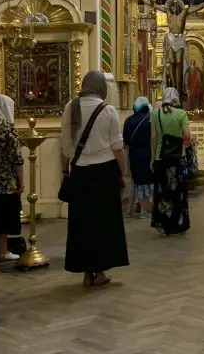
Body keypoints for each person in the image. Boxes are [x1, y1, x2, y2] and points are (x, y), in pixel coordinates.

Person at [60, 70, 129, 287]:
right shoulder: (108, 110)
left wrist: (66, 171)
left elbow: (65, 145)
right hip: (104, 173)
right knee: (104, 223)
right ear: (101, 87)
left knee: (82, 224)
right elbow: (117, 146)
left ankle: (86, 271)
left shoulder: (71, 107)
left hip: (80, 172)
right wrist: (123, 171)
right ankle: (100, 271)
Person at [150, 87, 192, 236]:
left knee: (163, 192)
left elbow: (154, 138)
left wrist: (152, 158)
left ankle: (163, 225)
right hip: (177, 158)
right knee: (178, 191)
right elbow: (187, 135)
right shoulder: (181, 114)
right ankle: (179, 224)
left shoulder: (155, 114)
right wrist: (181, 141)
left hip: (161, 158)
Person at [0, 93, 23, 263]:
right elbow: (16, 157)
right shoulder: (6, 127)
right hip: (5, 180)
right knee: (4, 216)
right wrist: (21, 179)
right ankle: (3, 252)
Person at [123, 96, 153, 219]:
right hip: (146, 154)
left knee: (135, 181)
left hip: (133, 154)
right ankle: (144, 209)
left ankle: (130, 209)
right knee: (145, 181)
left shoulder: (128, 121)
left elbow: (125, 140)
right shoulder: (149, 121)